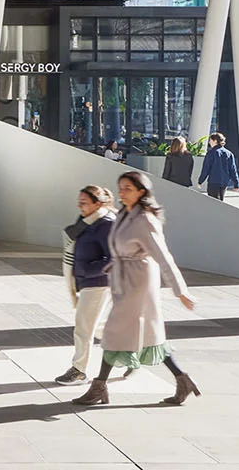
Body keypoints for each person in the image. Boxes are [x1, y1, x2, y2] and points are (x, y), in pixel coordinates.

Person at [74, 170, 201, 407]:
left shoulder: (145, 219)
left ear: (142, 192)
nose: (121, 192)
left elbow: (164, 257)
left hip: (138, 283)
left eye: (128, 189)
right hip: (125, 279)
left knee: (114, 332)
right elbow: (119, 248)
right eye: (120, 187)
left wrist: (180, 291)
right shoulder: (124, 214)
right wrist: (112, 266)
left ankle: (98, 387)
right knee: (148, 335)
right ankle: (182, 379)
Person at [55, 184, 116, 384]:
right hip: (88, 281)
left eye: (84, 202)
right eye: (78, 202)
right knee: (94, 326)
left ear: (97, 203)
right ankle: (131, 347)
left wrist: (86, 270)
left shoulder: (105, 223)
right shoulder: (87, 221)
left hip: (98, 283)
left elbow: (113, 257)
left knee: (82, 327)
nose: (80, 206)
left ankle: (79, 370)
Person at [198, 132, 239, 200]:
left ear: (215, 141)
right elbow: (233, 169)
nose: (209, 142)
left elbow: (206, 169)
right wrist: (236, 184)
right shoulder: (229, 154)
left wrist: (200, 181)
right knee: (220, 200)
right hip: (224, 182)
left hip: (213, 181)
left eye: (210, 140)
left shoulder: (211, 153)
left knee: (213, 202)